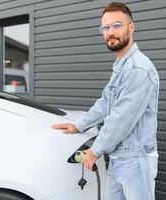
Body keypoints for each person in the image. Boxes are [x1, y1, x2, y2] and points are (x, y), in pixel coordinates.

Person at [52, 2, 159, 200]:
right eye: (105, 27)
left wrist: (95, 150)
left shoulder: (138, 69)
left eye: (117, 25)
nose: (110, 32)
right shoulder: (122, 66)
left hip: (135, 160)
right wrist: (79, 125)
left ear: (131, 27)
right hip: (120, 157)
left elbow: (121, 119)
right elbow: (105, 103)